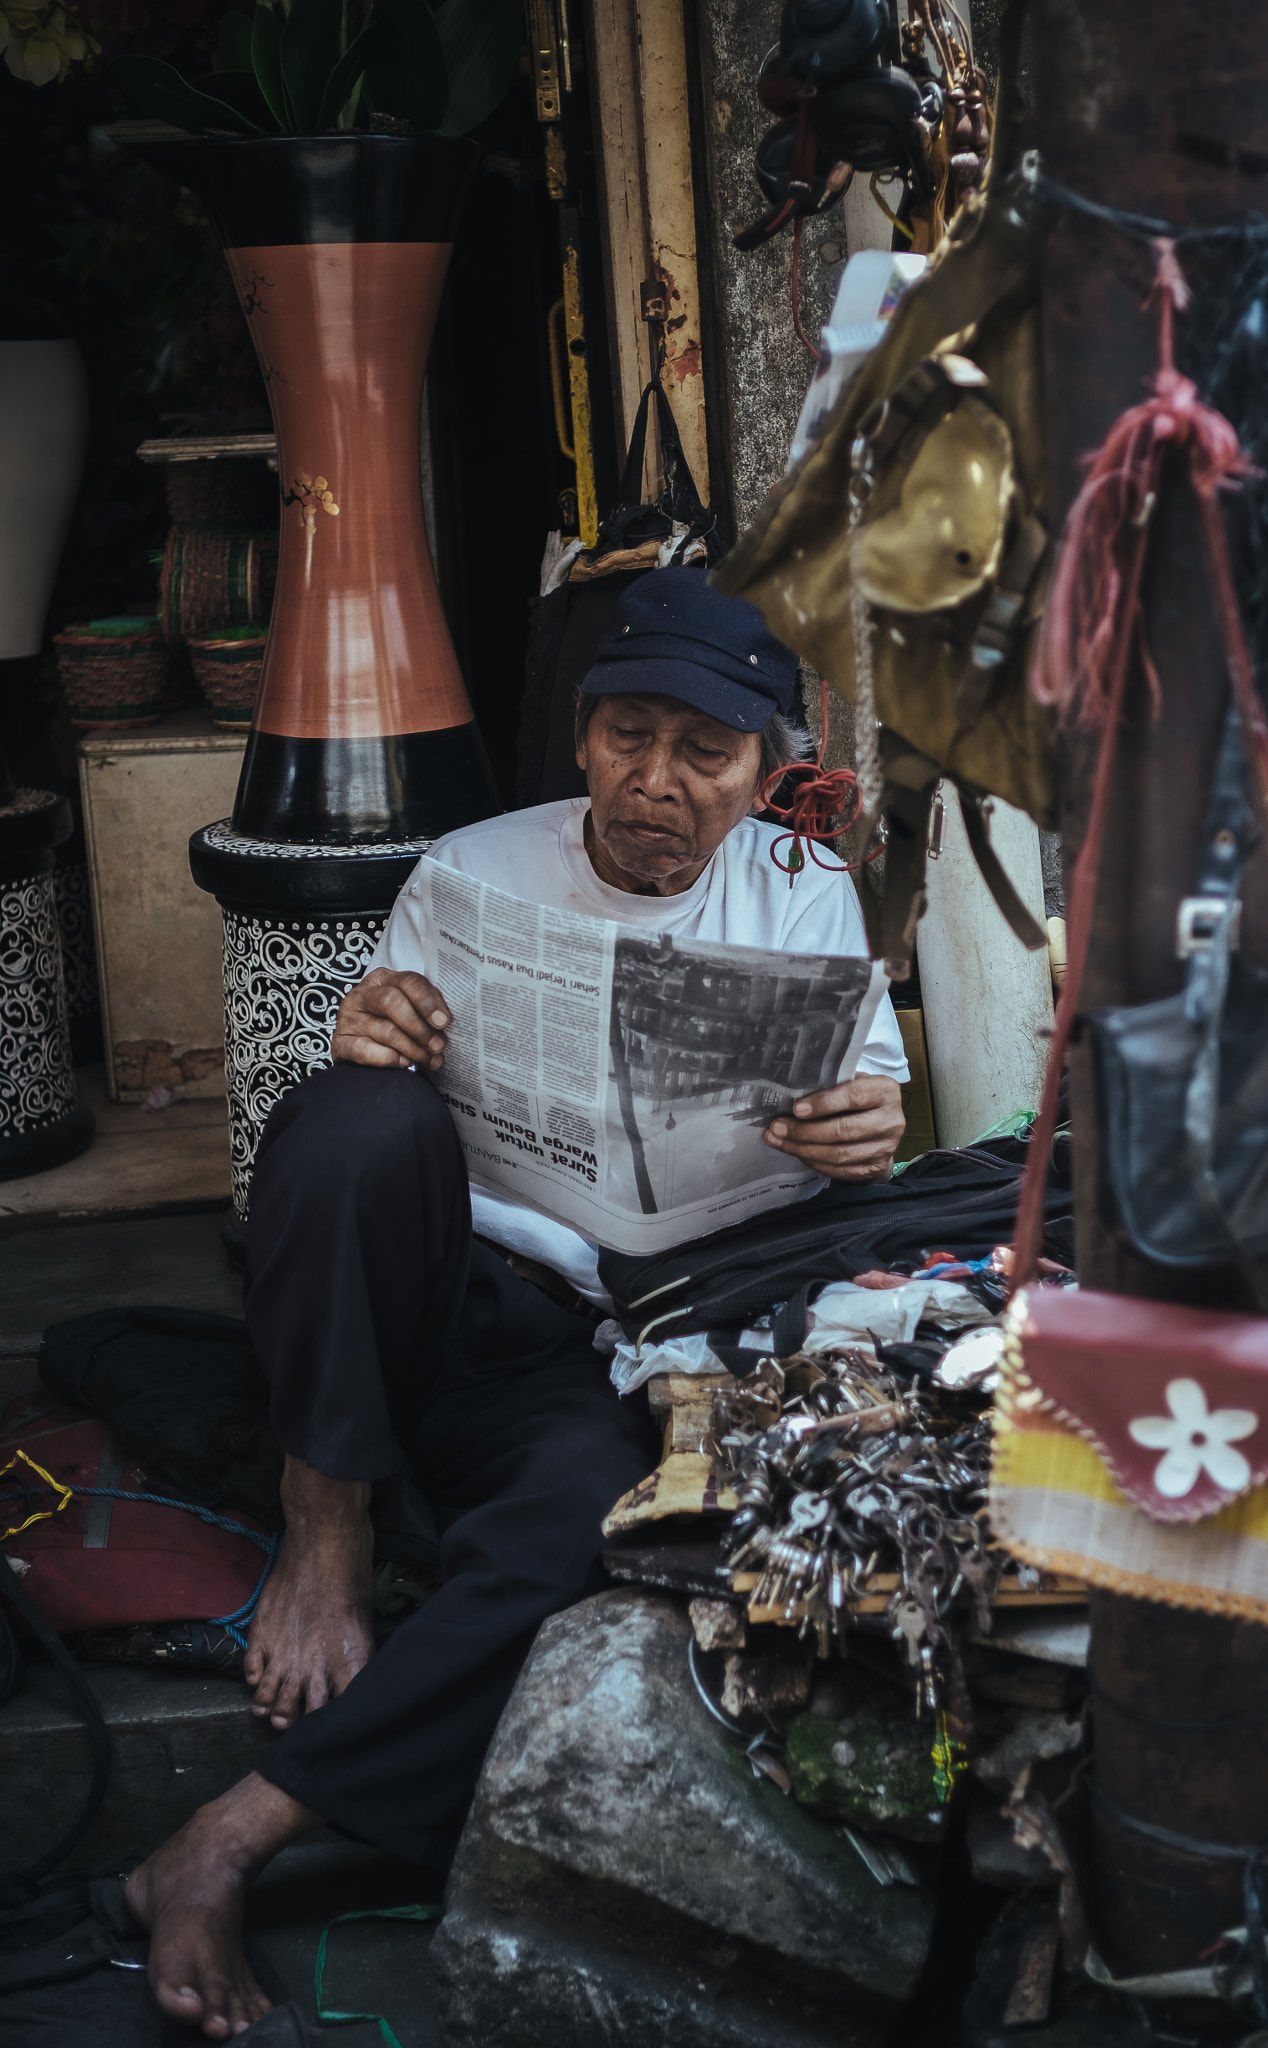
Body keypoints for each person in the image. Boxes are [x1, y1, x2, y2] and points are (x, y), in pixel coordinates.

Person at [126, 572, 909, 2037]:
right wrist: (368, 1038)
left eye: (702, 754)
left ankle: (227, 1836)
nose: (655, 783)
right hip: (458, 1300)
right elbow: (371, 1101)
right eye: (627, 736)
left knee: (579, 1536)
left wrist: (866, 1131)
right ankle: (327, 1524)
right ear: (579, 736)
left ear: (762, 770)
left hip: (633, 1346)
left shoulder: (807, 901)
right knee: (348, 1126)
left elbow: (870, 1110)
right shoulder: (475, 870)